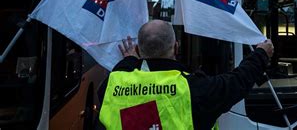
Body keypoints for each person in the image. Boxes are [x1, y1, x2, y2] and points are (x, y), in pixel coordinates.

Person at [97, 19, 274, 130]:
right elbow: (238, 81)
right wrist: (261, 54)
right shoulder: (194, 89)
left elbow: (120, 72)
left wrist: (129, 59)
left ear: (137, 49)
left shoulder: (112, 85)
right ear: (176, 47)